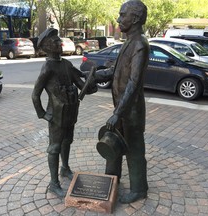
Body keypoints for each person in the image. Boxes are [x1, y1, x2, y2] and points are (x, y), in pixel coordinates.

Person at [95, 0, 149, 203]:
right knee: (113, 143)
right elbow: (116, 72)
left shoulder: (140, 44)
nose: (118, 19)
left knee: (134, 150)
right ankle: (111, 180)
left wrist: (119, 113)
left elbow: (134, 83)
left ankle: (139, 189)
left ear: (134, 18)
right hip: (121, 108)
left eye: (122, 14)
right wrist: (96, 76)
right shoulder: (127, 42)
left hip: (131, 111)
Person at [32, 28, 96, 197]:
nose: (59, 43)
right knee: (54, 148)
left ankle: (65, 168)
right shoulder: (48, 67)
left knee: (67, 141)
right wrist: (43, 114)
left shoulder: (66, 64)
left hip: (70, 111)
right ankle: (54, 183)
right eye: (55, 41)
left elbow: (81, 84)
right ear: (46, 46)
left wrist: (91, 85)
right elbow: (35, 94)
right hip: (56, 115)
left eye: (59, 40)